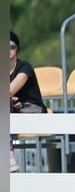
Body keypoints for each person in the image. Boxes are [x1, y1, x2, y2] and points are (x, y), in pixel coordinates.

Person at [10, 31, 48, 172]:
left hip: (33, 110)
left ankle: (8, 156)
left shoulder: (25, 67)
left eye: (12, 46)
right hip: (15, 111)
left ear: (17, 49)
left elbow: (9, 91)